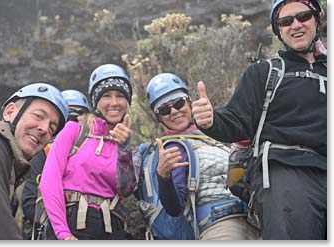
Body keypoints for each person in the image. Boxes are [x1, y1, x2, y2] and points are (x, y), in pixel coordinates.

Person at [192, 0, 326, 240]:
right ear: (279, 31)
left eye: (303, 16)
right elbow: (236, 121)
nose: (296, 24)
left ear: (318, 19)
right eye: (285, 21)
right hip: (287, 170)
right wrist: (210, 120)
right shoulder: (265, 72)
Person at [134, 73, 259, 240]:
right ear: (159, 118)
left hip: (254, 219)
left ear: (189, 102)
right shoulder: (174, 147)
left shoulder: (217, 136)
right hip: (219, 225)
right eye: (164, 109)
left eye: (178, 103)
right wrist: (164, 177)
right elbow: (174, 207)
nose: (174, 111)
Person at [39, 64, 137, 240]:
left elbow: (127, 189)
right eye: (106, 95)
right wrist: (63, 233)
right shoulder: (75, 131)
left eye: (120, 96)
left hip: (111, 227)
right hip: (73, 222)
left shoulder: (128, 146)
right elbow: (50, 181)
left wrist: (124, 149)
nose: (114, 102)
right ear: (96, 101)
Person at [0, 82, 68, 240]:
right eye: (38, 116)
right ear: (9, 112)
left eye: (52, 128)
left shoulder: (7, 159)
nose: (44, 128)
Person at [21, 89, 91, 240]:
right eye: (69, 113)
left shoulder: (94, 153)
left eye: (80, 112)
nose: (74, 118)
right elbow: (29, 203)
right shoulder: (41, 153)